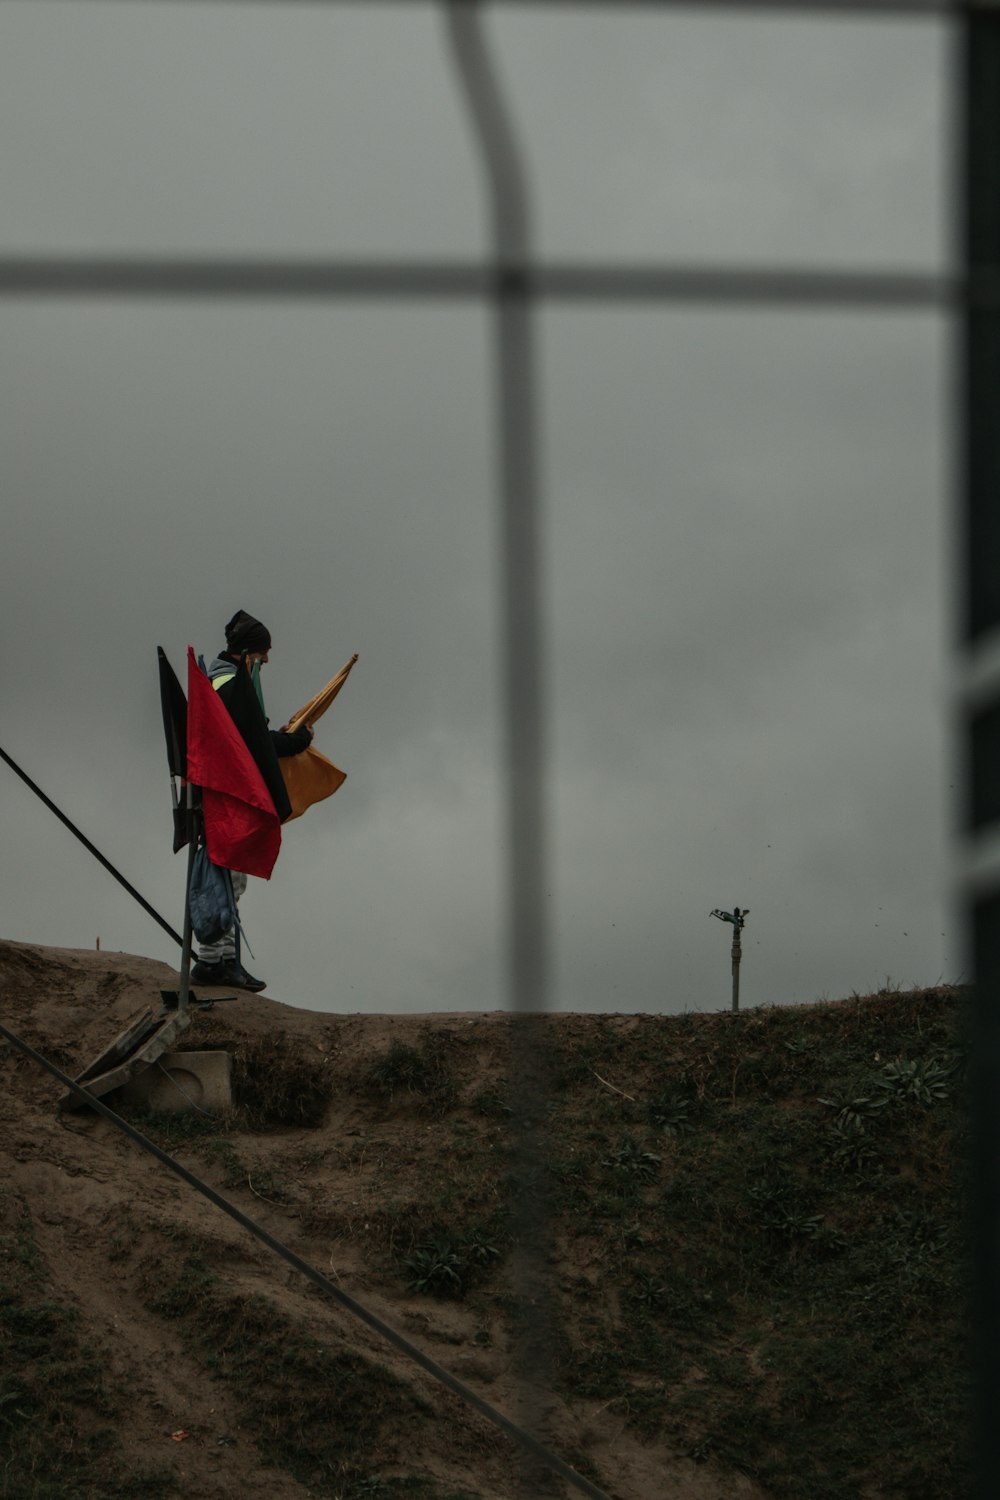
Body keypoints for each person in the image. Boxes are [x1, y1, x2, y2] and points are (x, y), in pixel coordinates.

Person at [190, 609, 313, 992]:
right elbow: (254, 743)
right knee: (228, 881)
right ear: (247, 652)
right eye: (262, 654)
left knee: (227, 879)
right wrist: (297, 741)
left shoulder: (218, 677)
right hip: (229, 797)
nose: (266, 661)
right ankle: (214, 964)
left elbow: (250, 736)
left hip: (216, 793)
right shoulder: (232, 683)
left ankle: (222, 961)